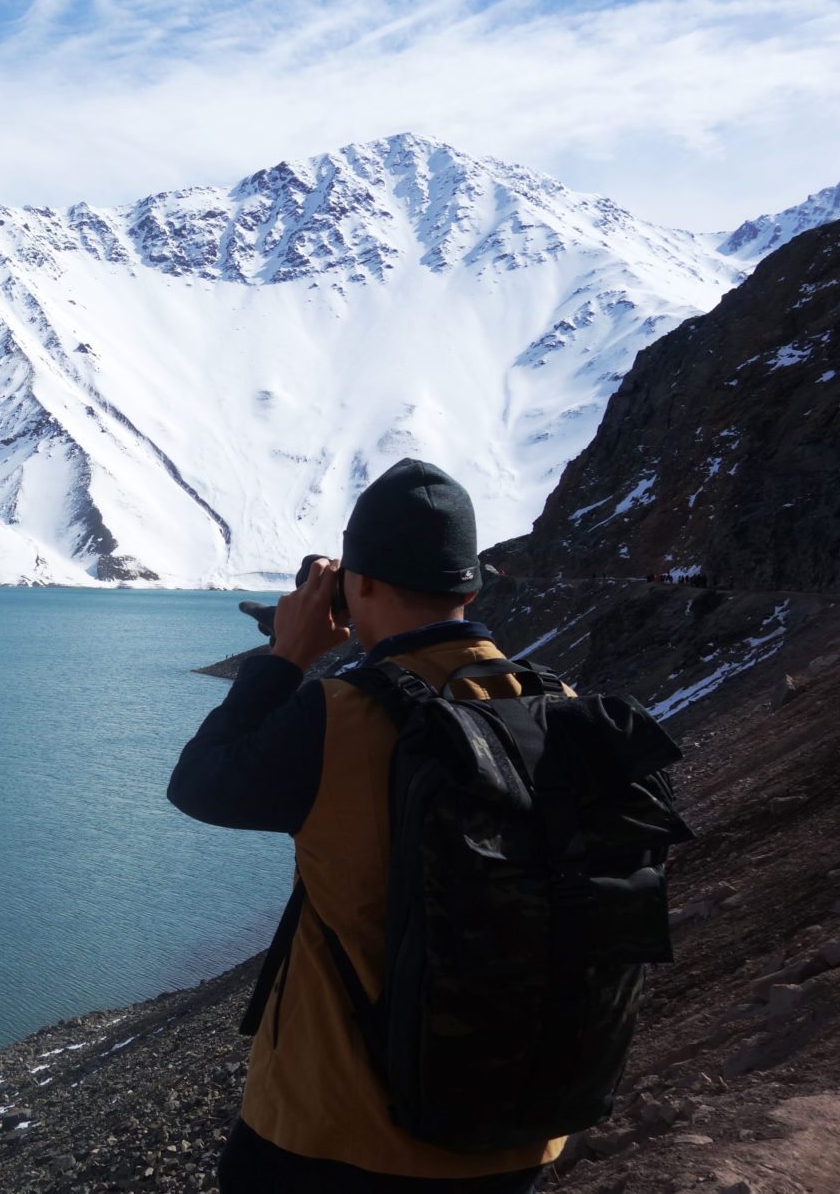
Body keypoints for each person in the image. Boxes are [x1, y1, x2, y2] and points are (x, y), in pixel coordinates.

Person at [167, 459, 557, 1193]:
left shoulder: (338, 716)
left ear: (362, 584)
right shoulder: (554, 706)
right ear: (468, 586)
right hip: (516, 1131)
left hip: (335, 1135)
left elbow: (199, 782)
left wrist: (287, 654)